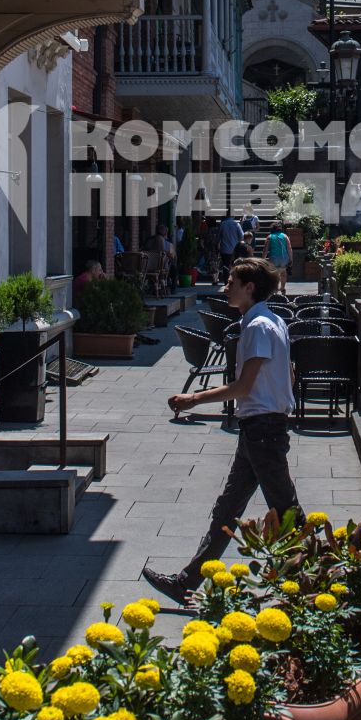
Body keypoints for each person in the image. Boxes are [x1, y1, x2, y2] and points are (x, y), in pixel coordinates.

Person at [143, 258, 297, 604]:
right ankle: (186, 581)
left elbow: (243, 386)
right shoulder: (273, 320)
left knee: (286, 511)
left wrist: (193, 398)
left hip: (262, 429)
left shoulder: (257, 326)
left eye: (231, 282)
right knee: (228, 509)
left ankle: (315, 582)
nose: (226, 286)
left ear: (249, 288)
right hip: (260, 426)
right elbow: (289, 373)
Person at [265, 221, 291, 293]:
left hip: (274, 258)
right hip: (284, 258)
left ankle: (275, 290)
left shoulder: (269, 237)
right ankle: (282, 288)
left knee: (274, 274)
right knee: (283, 273)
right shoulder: (285, 236)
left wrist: (263, 259)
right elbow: (289, 248)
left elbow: (265, 250)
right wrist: (291, 259)